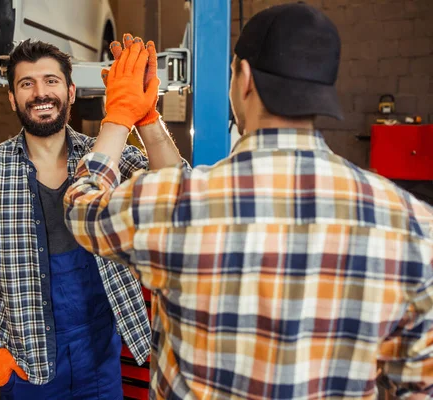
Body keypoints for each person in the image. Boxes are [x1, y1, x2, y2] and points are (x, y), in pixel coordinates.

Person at [63, 4, 433, 399]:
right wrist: (149, 121)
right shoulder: (413, 225)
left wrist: (119, 116)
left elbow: (83, 207)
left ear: (244, 79)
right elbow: (417, 387)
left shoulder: (179, 205)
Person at [0, 37, 184, 398]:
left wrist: (147, 117)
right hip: (26, 366)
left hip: (101, 359)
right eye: (27, 84)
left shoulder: (106, 157)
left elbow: (177, 186)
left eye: (51, 81)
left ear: (71, 92)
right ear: (12, 98)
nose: (41, 93)